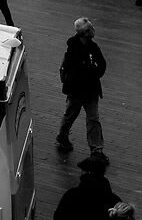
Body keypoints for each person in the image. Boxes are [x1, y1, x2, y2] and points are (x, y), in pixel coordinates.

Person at [54, 18, 106, 155]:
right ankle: (63, 137)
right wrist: (93, 73)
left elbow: (102, 65)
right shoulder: (74, 49)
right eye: (91, 28)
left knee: (92, 118)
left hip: (89, 90)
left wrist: (93, 74)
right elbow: (76, 70)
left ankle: (96, 149)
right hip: (78, 90)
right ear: (86, 32)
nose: (93, 30)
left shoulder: (92, 47)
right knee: (72, 116)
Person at [52, 153, 118, 220]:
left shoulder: (71, 195)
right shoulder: (115, 201)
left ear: (86, 172)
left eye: (82, 170)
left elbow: (58, 216)